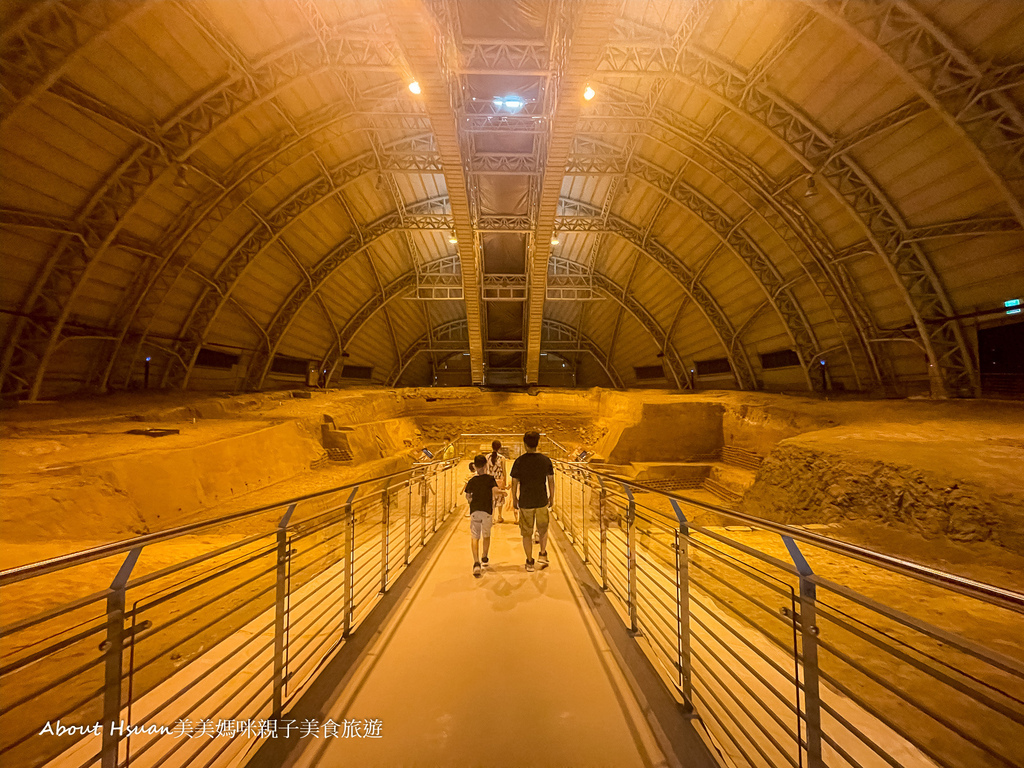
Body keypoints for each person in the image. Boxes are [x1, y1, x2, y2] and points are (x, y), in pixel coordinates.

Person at [509, 431, 554, 572]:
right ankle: (542, 554)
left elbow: (514, 482)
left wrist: (514, 499)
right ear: (537, 443)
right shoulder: (545, 460)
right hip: (541, 499)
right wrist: (552, 497)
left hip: (526, 501)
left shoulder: (519, 461)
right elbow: (551, 481)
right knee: (542, 529)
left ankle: (529, 561)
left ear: (524, 444)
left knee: (526, 533)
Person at [464, 454, 499, 577]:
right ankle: (484, 556)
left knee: (475, 536)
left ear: (474, 466)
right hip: (487, 510)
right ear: (485, 465)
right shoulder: (490, 479)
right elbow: (495, 491)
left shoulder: (472, 481)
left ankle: (476, 562)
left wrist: (471, 500)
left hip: (475, 511)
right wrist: (502, 492)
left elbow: (468, 496)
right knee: (486, 535)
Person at [485, 440, 509, 524]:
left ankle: (492, 516)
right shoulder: (502, 458)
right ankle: (499, 515)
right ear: (500, 447)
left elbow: (486, 469)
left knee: (491, 498)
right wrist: (505, 482)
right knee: (499, 498)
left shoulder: (487, 457)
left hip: (489, 480)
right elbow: (504, 470)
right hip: (499, 480)